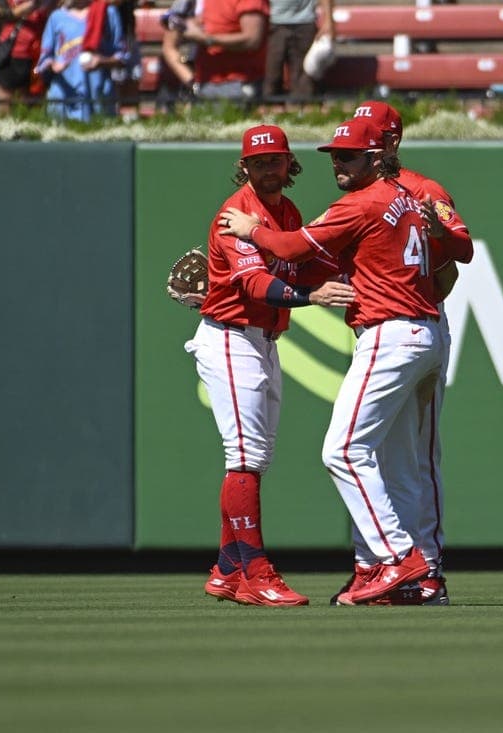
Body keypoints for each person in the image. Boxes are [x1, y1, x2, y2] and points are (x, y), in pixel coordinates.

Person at [218, 117, 443, 607]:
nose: (338, 163)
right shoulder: (404, 196)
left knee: (342, 452)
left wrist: (255, 233)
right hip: (422, 330)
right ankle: (389, 572)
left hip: (391, 332)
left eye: (349, 155)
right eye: (335, 155)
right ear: (245, 166)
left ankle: (398, 559)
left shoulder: (358, 202)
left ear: (376, 157)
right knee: (397, 462)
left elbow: (295, 249)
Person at [190, 124, 354, 607]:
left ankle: (226, 569)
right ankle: (255, 571)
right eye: (257, 161)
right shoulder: (234, 215)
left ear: (289, 164)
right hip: (229, 338)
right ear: (244, 166)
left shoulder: (286, 211)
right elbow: (257, 286)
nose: (267, 167)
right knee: (244, 457)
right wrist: (313, 295)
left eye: (274, 159)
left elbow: (298, 264)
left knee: (254, 458)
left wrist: (340, 264)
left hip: (263, 340)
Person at [340, 100, 474, 607]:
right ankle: (378, 567)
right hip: (380, 329)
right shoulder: (364, 195)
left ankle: (427, 569)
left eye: (366, 137)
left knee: (415, 456)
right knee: (375, 453)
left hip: (415, 325)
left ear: (388, 144)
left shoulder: (423, 190)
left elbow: (456, 260)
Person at [35, 0, 129, 121]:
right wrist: (52, 64)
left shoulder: (108, 12)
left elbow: (123, 57)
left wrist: (102, 61)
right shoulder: (56, 17)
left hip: (98, 97)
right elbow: (42, 62)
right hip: (64, 97)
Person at [180, 0, 269, 103]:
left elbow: (252, 41)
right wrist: (189, 26)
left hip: (239, 84)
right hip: (206, 82)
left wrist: (207, 39)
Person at [0, 0, 56, 115]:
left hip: (37, 53)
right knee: (5, 96)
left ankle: (29, 129)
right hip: (11, 50)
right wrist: (26, 7)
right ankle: (4, 129)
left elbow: (54, 13)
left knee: (32, 97)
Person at [262, 0, 335, 101]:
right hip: (274, 22)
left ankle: (301, 111)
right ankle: (269, 110)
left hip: (305, 22)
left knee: (303, 80)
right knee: (272, 74)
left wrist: (328, 22)